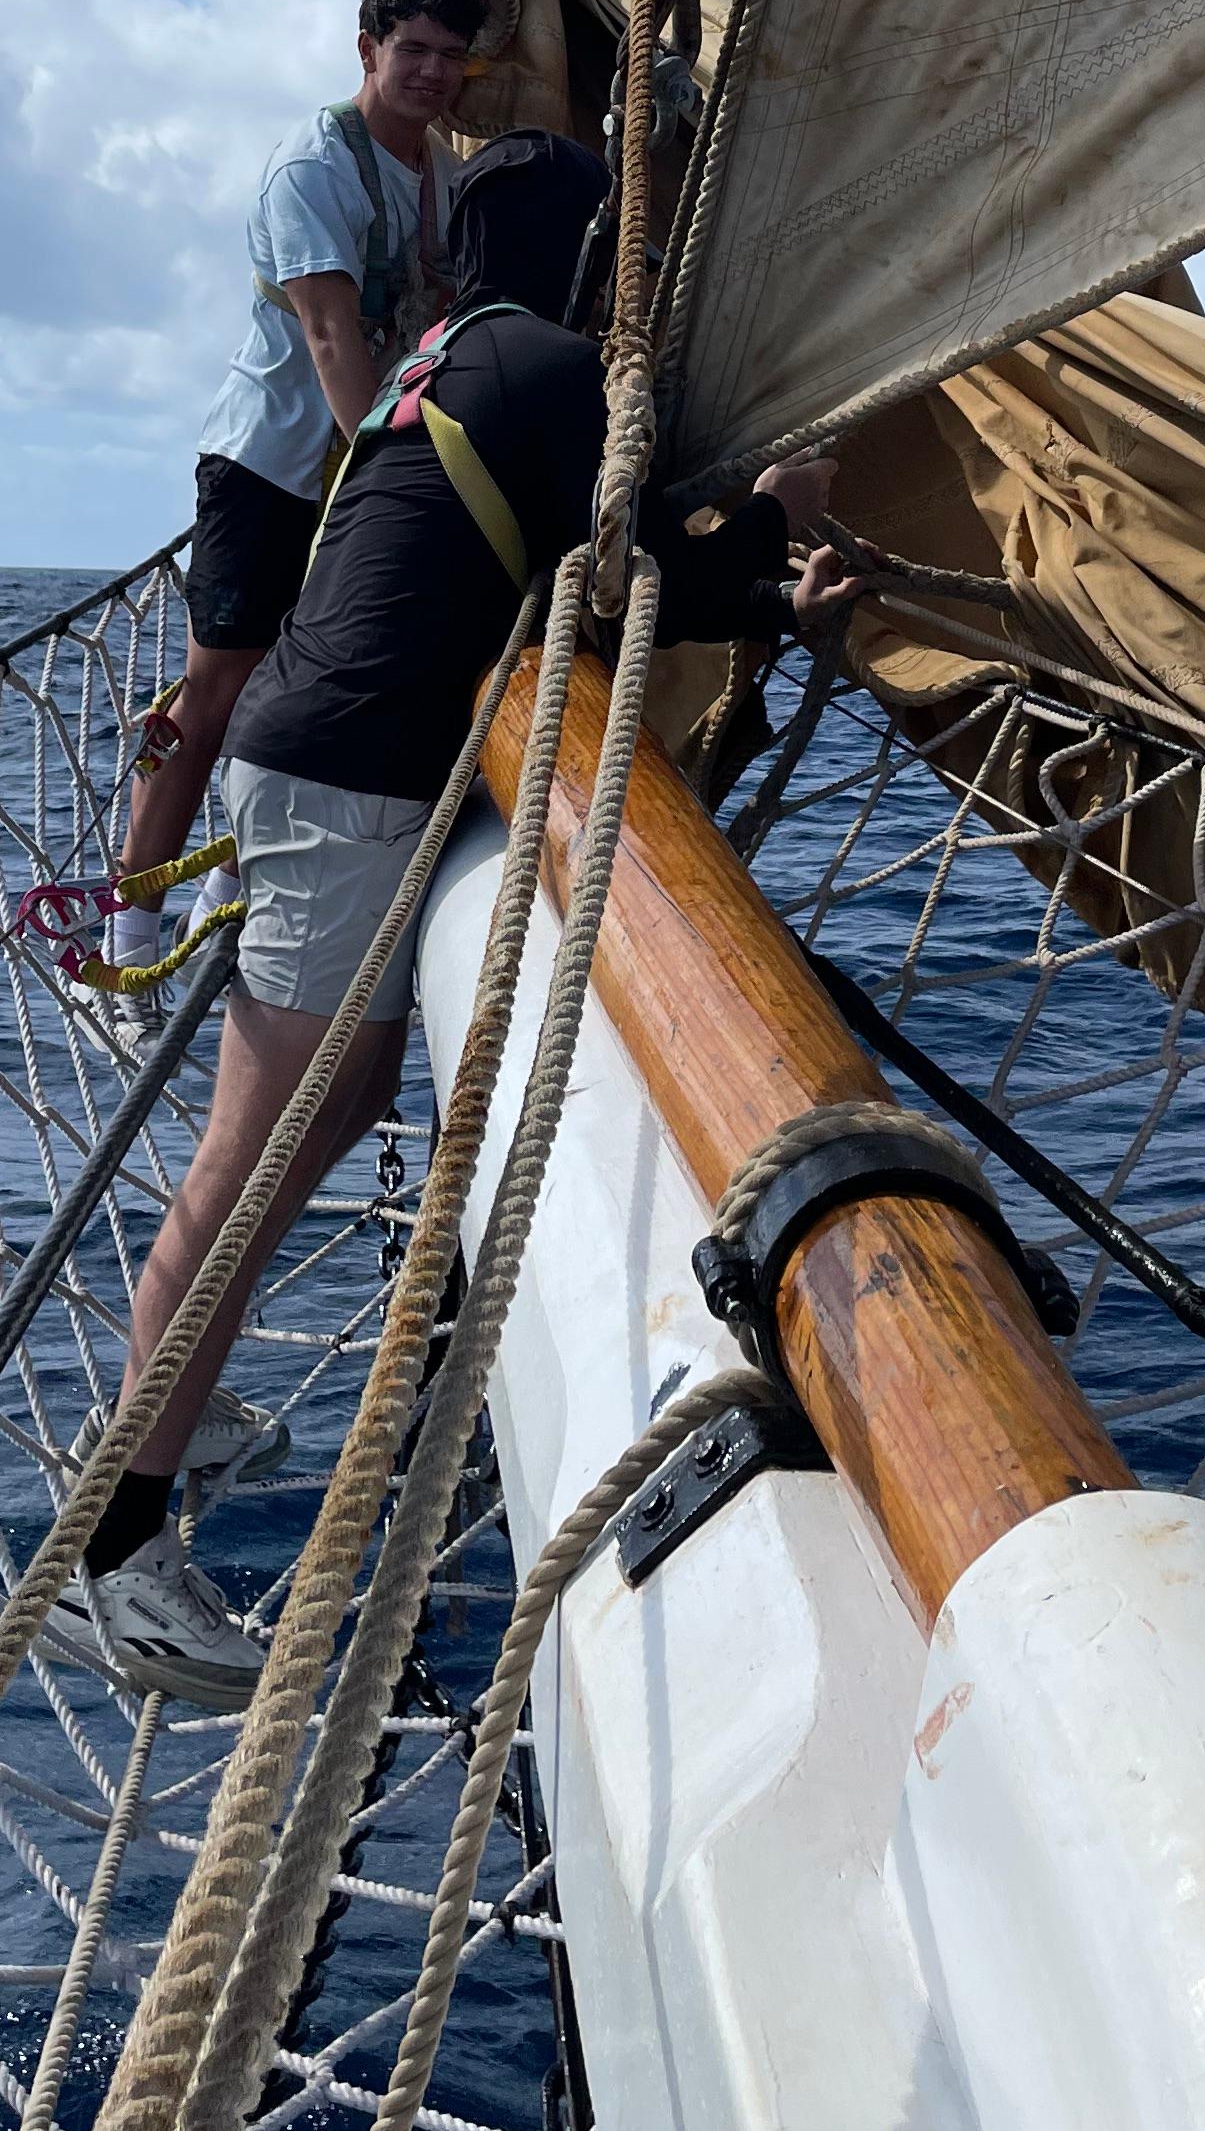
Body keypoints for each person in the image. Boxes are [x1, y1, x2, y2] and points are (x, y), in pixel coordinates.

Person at [71, 130, 861, 1704]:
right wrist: (776, 526)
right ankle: (121, 1553)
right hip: (349, 785)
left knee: (332, 1096)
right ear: (591, 263)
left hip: (314, 760)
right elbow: (641, 576)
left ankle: (183, 1385)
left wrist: (766, 591)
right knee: (262, 1147)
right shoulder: (557, 372)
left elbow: (585, 570)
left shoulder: (452, 355)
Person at [120, 0, 486, 918]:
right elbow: (328, 334)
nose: (433, 72)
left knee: (306, 687)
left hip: (359, 465)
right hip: (273, 465)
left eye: (453, 56)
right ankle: (130, 914)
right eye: (412, 49)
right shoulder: (313, 167)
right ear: (367, 48)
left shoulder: (446, 177)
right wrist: (391, 476)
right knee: (218, 692)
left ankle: (232, 882)